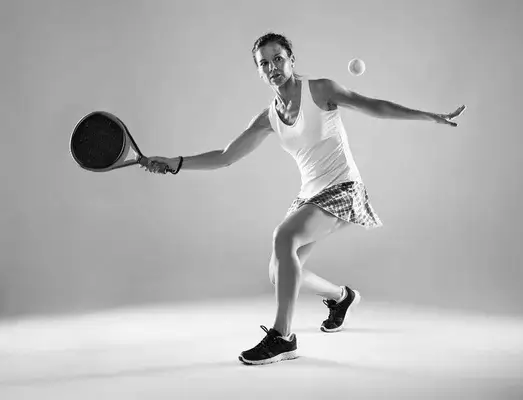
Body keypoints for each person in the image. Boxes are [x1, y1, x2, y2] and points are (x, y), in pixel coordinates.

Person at [142, 32, 465, 365]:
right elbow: (225, 156)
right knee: (278, 272)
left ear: (291, 59)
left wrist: (429, 115)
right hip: (310, 195)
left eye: (278, 58)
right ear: (258, 71)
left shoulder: (321, 90)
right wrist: (176, 163)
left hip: (343, 188)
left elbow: (375, 107)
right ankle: (342, 298)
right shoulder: (268, 118)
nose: (272, 67)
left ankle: (282, 337)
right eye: (264, 63)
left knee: (284, 236)